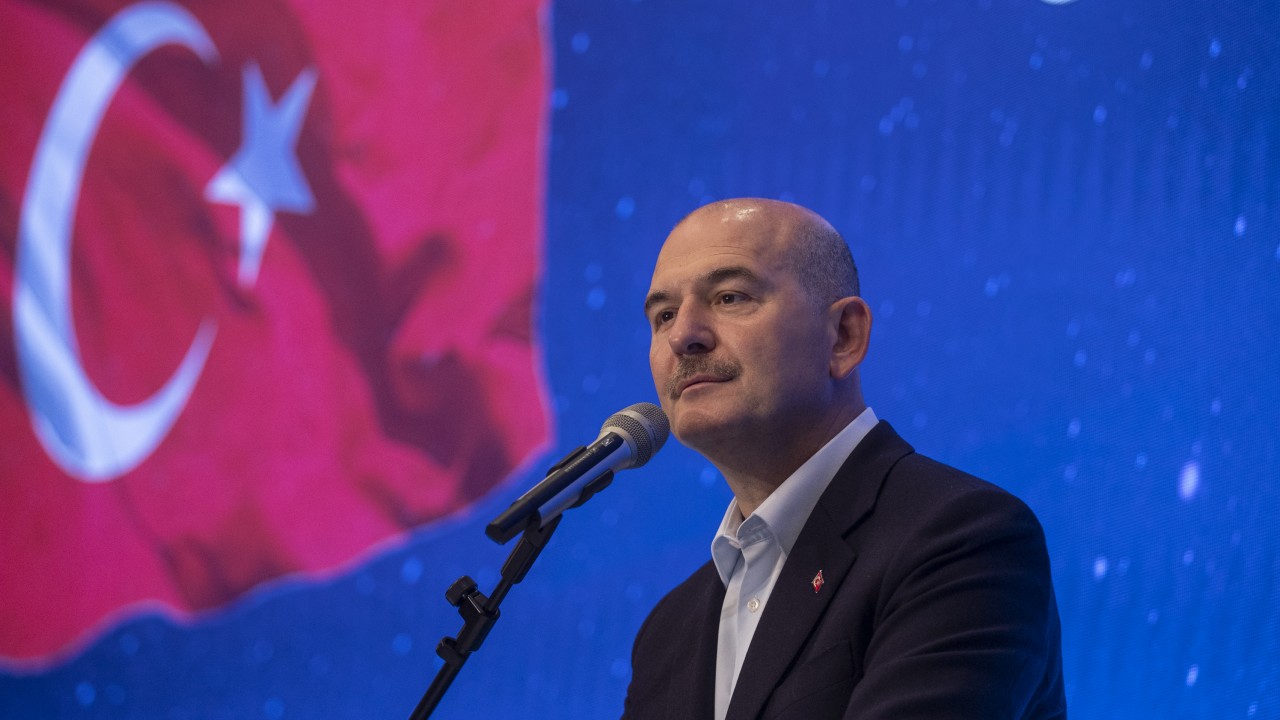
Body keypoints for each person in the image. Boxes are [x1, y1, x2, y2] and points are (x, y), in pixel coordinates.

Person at [623, 198, 1065, 720]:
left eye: (729, 297)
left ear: (844, 336)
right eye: (664, 315)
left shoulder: (962, 539)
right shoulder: (668, 631)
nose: (682, 335)